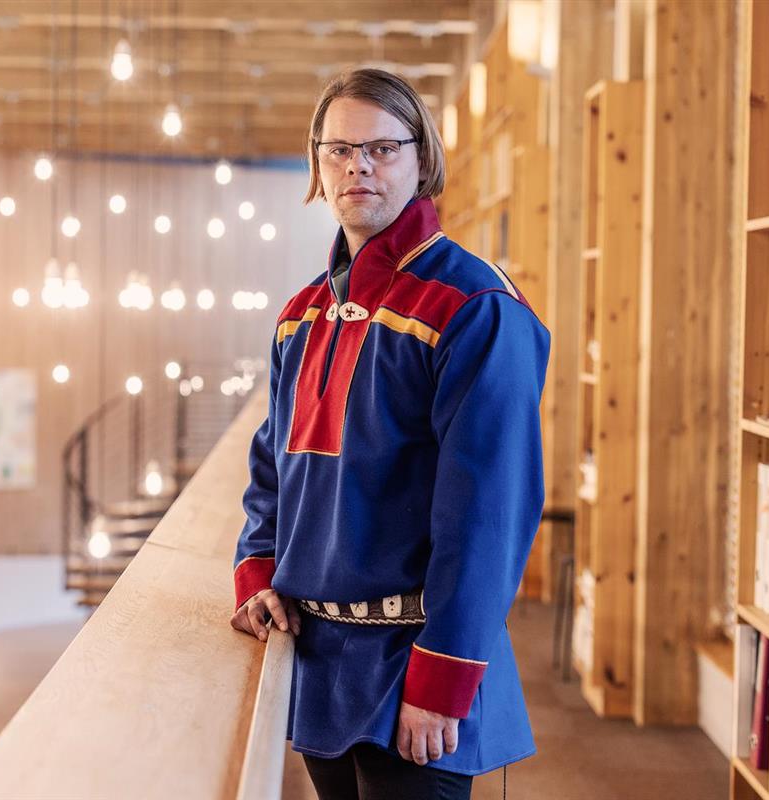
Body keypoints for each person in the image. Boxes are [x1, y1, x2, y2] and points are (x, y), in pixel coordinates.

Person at [230, 67, 550, 800]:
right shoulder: (301, 315)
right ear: (318, 164)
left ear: (422, 158)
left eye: (381, 148)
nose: (358, 167)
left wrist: (442, 677)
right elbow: (272, 468)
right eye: (340, 150)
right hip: (318, 663)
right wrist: (257, 571)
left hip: (416, 667)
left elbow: (489, 513)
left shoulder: (474, 305)